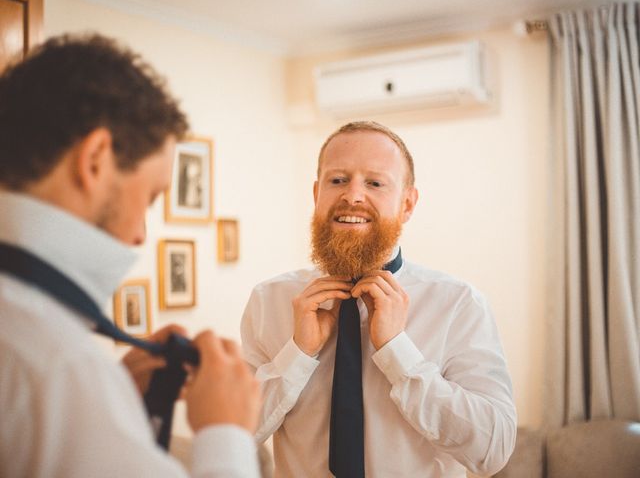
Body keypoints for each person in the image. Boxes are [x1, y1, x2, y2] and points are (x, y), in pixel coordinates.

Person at [0, 34, 261, 477]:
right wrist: (226, 434)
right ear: (96, 159)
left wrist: (117, 401)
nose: (141, 234)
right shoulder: (60, 370)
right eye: (151, 197)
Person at [241, 121, 517, 477]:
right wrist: (296, 354)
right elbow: (235, 433)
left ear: (407, 203)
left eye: (374, 183)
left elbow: (492, 450)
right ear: (316, 194)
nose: (353, 196)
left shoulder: (459, 304)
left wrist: (398, 352)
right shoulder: (270, 300)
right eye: (337, 180)